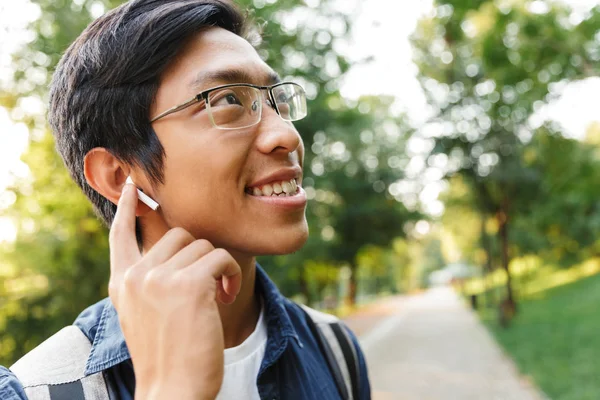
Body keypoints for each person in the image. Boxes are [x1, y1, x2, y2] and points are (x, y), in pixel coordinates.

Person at [0, 0, 371, 399]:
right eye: (227, 99)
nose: (286, 135)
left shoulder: (335, 349)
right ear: (120, 174)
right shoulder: (38, 389)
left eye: (275, 102)